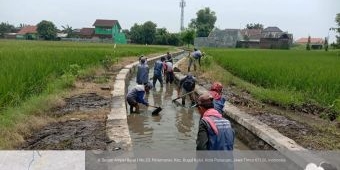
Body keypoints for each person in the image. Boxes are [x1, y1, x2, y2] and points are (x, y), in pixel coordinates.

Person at [195, 92, 234, 169]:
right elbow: (230, 145)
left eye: (198, 110)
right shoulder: (227, 122)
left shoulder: (204, 122)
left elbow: (201, 148)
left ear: (200, 108)